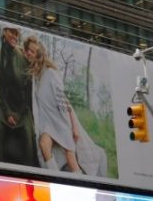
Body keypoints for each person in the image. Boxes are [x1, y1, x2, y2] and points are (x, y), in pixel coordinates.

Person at [23, 35, 107, 176]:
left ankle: (80, 181)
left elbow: (65, 101)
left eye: (32, 51)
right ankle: (56, 178)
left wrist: (73, 126)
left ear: (39, 53)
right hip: (47, 124)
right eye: (27, 51)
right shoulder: (35, 78)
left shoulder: (51, 74)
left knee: (70, 156)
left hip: (61, 121)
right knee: (44, 145)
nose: (29, 53)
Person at [0, 25, 37, 167]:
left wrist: (18, 115)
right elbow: (1, 87)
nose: (15, 37)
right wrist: (8, 112)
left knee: (27, 134)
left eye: (17, 34)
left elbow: (28, 93)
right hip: (5, 103)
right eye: (12, 33)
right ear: (4, 32)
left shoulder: (23, 56)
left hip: (22, 106)